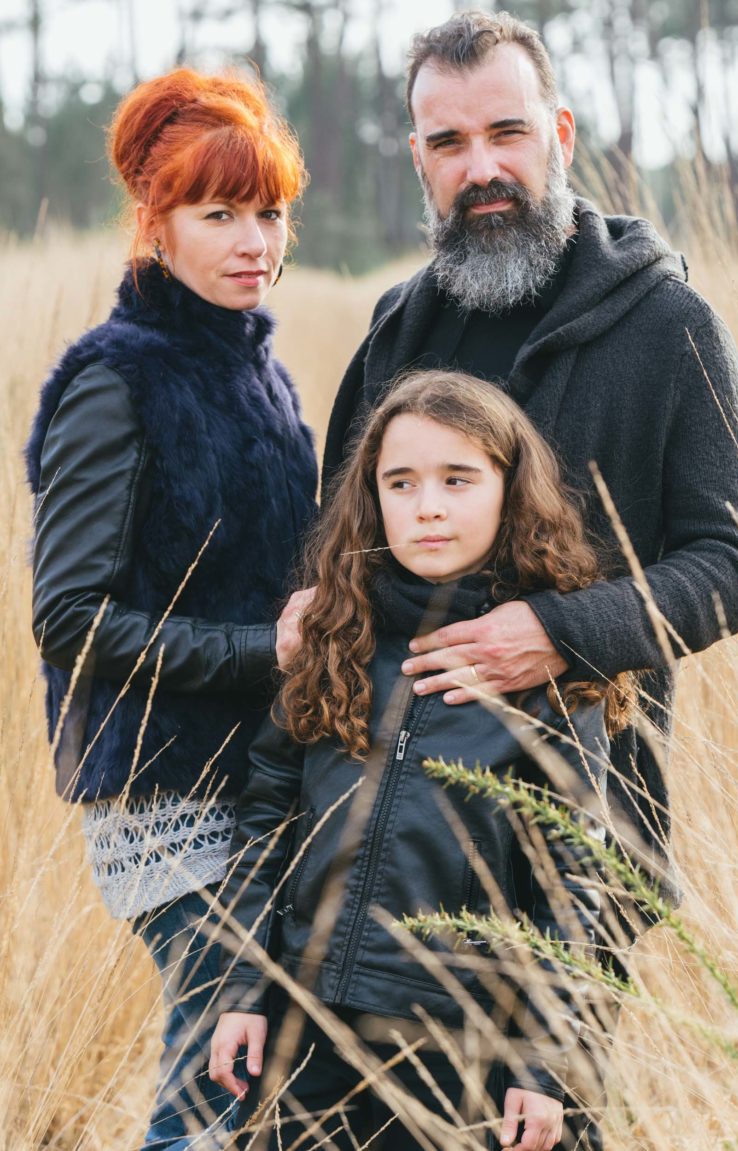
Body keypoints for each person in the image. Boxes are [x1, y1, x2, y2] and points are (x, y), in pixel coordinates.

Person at [322, 10, 738, 911]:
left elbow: (732, 570)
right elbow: (334, 543)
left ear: (558, 134)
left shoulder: (671, 327)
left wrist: (559, 633)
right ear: (419, 158)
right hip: (384, 848)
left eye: (506, 133)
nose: (481, 169)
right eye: (449, 142)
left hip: (583, 840)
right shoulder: (393, 332)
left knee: (554, 1061)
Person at [206, 370, 633, 1151]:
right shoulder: (335, 638)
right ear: (372, 499)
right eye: (400, 483)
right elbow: (265, 823)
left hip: (459, 1044)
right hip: (309, 1028)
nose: (427, 505)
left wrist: (543, 1067)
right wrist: (241, 987)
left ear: (510, 490)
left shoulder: (544, 676)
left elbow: (571, 888)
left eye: (457, 479)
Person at [25, 68, 317, 1150]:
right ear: (156, 224)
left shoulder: (262, 372)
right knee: (214, 1082)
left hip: (264, 779)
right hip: (167, 797)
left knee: (262, 1073)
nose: (254, 241)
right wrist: (263, 649)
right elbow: (69, 618)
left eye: (270, 213)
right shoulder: (116, 380)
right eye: (219, 214)